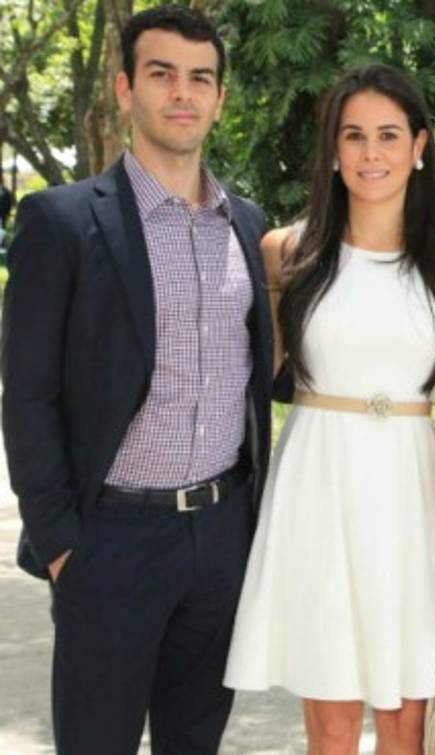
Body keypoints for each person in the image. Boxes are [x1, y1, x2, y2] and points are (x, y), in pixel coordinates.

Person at [0, 6, 272, 753]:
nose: (181, 93)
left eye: (199, 78)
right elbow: (26, 393)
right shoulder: (58, 221)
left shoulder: (248, 226)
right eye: (162, 75)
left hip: (221, 536)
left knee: (196, 743)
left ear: (219, 97)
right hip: (109, 542)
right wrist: (62, 546)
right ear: (124, 88)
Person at [223, 64, 435, 753]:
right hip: (319, 485)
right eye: (354, 135)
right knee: (330, 720)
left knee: (406, 721)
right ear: (333, 149)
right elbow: (243, 381)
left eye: (389, 135)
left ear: (419, 146)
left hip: (415, 493)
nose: (371, 153)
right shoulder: (287, 250)